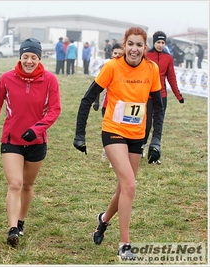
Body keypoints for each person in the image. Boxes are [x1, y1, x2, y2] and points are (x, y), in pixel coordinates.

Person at [73, 27, 164, 259]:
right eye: (130, 44)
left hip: (137, 134)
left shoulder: (151, 69)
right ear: (124, 45)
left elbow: (159, 108)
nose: (134, 49)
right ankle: (124, 244)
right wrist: (79, 134)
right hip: (113, 131)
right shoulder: (112, 67)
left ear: (145, 48)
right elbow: (87, 99)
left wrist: (156, 140)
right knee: (130, 185)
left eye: (139, 45)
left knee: (125, 187)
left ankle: (103, 220)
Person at [0, 38, 61, 247]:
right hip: (11, 141)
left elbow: (55, 110)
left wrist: (36, 130)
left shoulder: (50, 80)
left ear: (39, 58)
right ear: (20, 57)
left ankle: (21, 220)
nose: (29, 61)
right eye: (25, 56)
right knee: (15, 184)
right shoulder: (7, 78)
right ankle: (13, 228)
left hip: (36, 142)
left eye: (33, 57)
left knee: (27, 185)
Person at [143, 31, 184, 159]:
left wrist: (179, 96)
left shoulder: (168, 58)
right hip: (147, 96)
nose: (160, 45)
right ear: (154, 42)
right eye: (158, 42)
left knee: (158, 124)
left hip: (161, 96)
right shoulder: (146, 56)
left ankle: (155, 149)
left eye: (162, 43)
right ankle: (142, 145)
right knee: (146, 123)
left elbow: (171, 78)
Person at [92, 42, 124, 165]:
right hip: (107, 106)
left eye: (120, 54)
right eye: (115, 53)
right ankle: (106, 150)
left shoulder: (126, 70)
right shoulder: (107, 67)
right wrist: (96, 101)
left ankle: (117, 155)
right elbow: (97, 86)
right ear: (111, 53)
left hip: (121, 107)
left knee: (119, 131)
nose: (117, 56)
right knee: (109, 131)